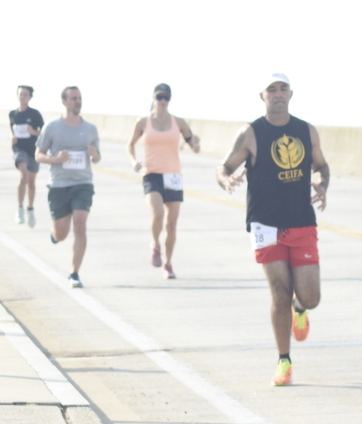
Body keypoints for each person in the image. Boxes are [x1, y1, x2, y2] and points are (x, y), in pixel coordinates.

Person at [216, 74, 328, 386]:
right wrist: (226, 179)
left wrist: (322, 184)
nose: (278, 94)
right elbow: (223, 167)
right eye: (271, 90)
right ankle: (284, 361)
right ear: (262, 96)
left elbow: (322, 166)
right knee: (279, 292)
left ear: (291, 94)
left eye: (282, 89)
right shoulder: (251, 133)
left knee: (311, 296)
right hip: (265, 223)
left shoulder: (306, 131)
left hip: (301, 221)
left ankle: (300, 308)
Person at [127, 82, 202, 278]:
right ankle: (155, 244)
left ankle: (168, 263)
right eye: (159, 97)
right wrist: (134, 161)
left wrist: (196, 144)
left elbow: (194, 146)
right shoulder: (143, 122)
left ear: (170, 100)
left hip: (173, 175)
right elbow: (130, 145)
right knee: (157, 214)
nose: (162, 101)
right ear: (153, 98)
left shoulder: (179, 122)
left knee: (171, 225)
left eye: (166, 98)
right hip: (151, 174)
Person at [35, 86, 100, 288]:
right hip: (59, 185)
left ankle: (74, 273)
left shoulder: (90, 129)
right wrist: (56, 158)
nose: (77, 102)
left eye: (79, 98)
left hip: (83, 183)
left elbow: (97, 158)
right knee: (62, 234)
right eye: (73, 98)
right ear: (64, 101)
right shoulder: (52, 127)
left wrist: (93, 154)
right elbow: (38, 155)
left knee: (80, 225)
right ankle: (55, 235)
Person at [10, 85, 44, 226]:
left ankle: (30, 208)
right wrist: (12, 136)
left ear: (30, 97)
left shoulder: (35, 114)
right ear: (17, 95)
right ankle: (19, 209)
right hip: (19, 150)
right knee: (23, 176)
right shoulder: (13, 114)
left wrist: (33, 132)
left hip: (33, 150)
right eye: (21, 94)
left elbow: (43, 132)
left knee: (31, 182)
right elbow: (11, 128)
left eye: (25, 94)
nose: (23, 96)